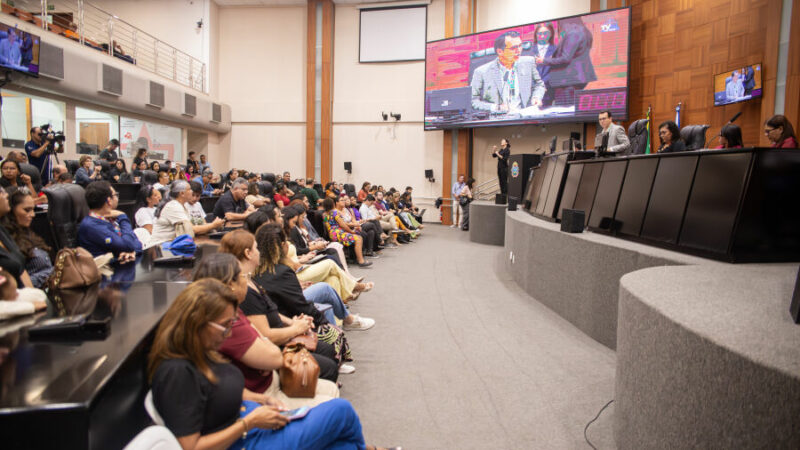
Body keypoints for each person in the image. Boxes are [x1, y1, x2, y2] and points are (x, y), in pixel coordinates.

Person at [147, 279, 375, 450]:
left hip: (252, 425)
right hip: (244, 440)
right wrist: (249, 422)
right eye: (225, 325)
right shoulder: (176, 373)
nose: (229, 333)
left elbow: (219, 388)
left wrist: (260, 399)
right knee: (341, 411)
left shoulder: (202, 352)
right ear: (199, 322)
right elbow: (191, 447)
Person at [192, 254, 341, 405]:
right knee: (338, 403)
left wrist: (290, 326)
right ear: (231, 284)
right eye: (243, 276)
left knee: (330, 384)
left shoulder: (233, 311)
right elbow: (272, 352)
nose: (246, 281)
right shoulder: (231, 323)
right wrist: (290, 331)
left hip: (267, 383)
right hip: (266, 393)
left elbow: (264, 335)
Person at [219, 230, 343, 380]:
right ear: (248, 253)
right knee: (328, 365)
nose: (259, 252)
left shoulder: (250, 280)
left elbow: (269, 310)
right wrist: (295, 328)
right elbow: (266, 334)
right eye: (256, 248)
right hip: (277, 344)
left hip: (281, 332)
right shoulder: (244, 289)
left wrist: (293, 322)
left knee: (327, 350)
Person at [471, 30, 546, 114]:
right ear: (500, 51)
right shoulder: (481, 72)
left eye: (520, 46)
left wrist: (536, 97)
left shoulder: (528, 62)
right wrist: (495, 107)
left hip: (524, 117)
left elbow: (539, 85)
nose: (518, 50)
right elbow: (472, 101)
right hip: (498, 121)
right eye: (513, 48)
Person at [535, 16, 597, 106]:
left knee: (564, 109)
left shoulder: (573, 33)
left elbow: (566, 58)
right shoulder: (585, 31)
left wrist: (544, 60)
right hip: (575, 78)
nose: (560, 28)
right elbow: (575, 54)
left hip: (568, 80)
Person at [1, 187, 52, 289]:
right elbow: (17, 282)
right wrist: (50, 275)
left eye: (33, 209)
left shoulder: (28, 232)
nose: (32, 215)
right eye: (27, 210)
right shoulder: (6, 238)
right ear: (11, 210)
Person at [77, 181, 141, 261]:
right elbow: (129, 245)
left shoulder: (110, 218)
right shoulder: (91, 226)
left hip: (122, 265)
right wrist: (123, 216)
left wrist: (133, 252)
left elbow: (137, 243)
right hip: (105, 271)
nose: (117, 198)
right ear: (109, 201)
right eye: (115, 195)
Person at [149, 180, 224, 246]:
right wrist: (213, 225)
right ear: (182, 193)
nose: (191, 191)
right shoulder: (173, 206)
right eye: (189, 189)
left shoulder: (181, 205)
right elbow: (192, 229)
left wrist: (213, 225)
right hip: (160, 247)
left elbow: (193, 226)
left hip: (171, 244)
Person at [0, 186, 31, 287]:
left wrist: (35, 297)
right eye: (1, 192)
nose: (6, 194)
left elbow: (21, 269)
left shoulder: (2, 230)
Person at [533, 23, 557, 106]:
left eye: (545, 33)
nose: (542, 36)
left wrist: (543, 85)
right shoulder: (529, 50)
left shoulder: (556, 50)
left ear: (551, 34)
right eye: (540, 34)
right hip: (532, 93)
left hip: (549, 91)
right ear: (536, 34)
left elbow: (558, 70)